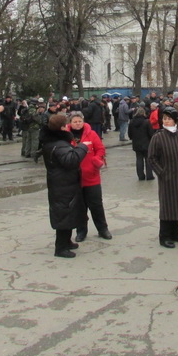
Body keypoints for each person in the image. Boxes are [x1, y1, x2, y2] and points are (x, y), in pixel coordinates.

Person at [42, 113, 89, 258]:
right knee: (64, 213)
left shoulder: (54, 142)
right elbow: (70, 161)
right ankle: (60, 247)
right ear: (62, 128)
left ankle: (67, 241)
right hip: (62, 183)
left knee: (69, 211)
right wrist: (82, 148)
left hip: (63, 182)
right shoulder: (59, 144)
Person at [147, 107, 178, 248]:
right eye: (164, 118)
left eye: (169, 118)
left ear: (175, 120)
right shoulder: (158, 137)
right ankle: (164, 235)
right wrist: (162, 173)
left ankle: (175, 232)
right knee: (168, 206)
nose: (166, 121)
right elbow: (152, 158)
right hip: (167, 178)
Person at [66, 111, 112, 242]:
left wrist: (96, 160)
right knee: (79, 207)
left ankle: (103, 229)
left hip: (92, 177)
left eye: (79, 121)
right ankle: (81, 231)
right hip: (74, 178)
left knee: (96, 205)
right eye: (75, 121)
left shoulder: (91, 134)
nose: (77, 124)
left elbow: (100, 149)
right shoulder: (66, 136)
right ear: (70, 123)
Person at [128, 106, 155, 180]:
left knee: (139, 159)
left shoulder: (131, 122)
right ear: (143, 113)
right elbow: (151, 133)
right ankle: (149, 176)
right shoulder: (147, 122)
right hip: (146, 143)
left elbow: (130, 134)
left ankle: (141, 176)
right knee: (148, 160)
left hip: (136, 143)